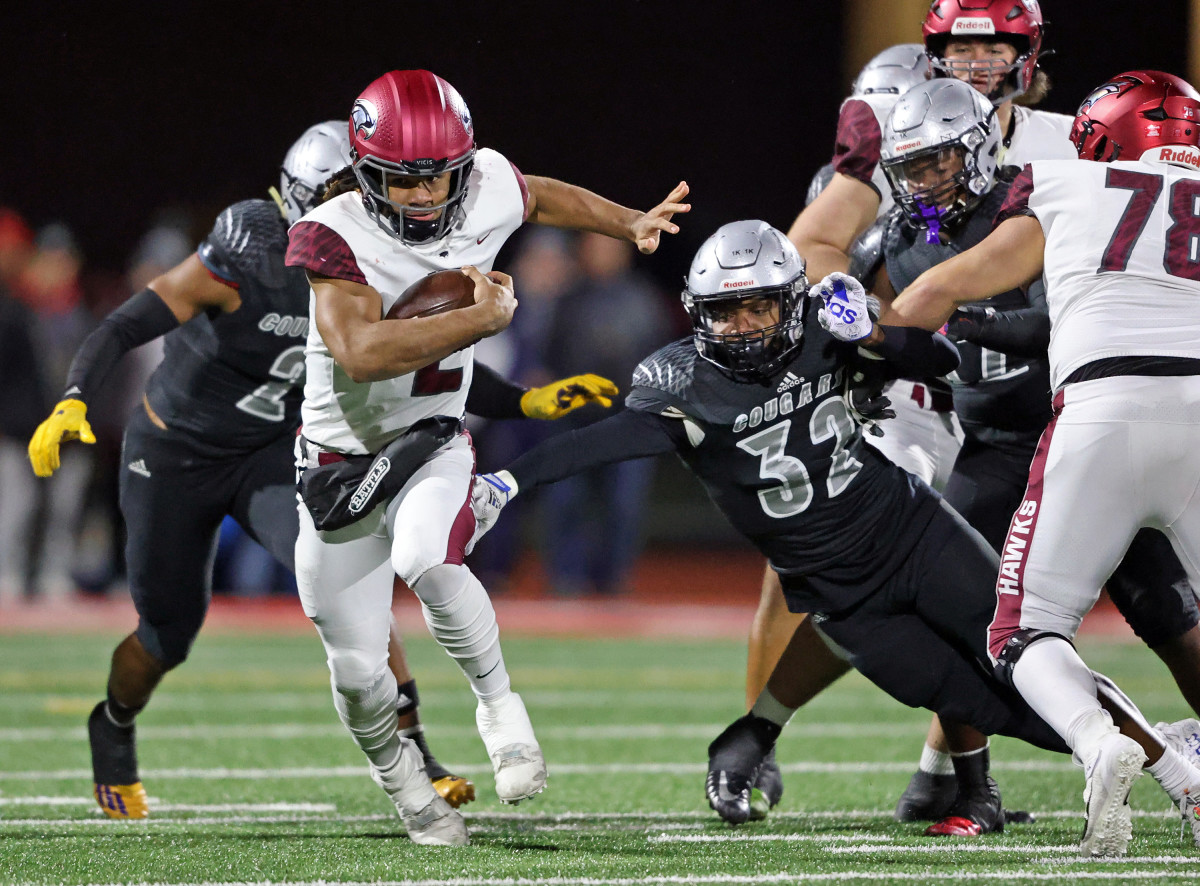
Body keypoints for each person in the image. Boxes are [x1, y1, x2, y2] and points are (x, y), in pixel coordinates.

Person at [24, 120, 610, 826]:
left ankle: (413, 744)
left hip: (271, 449)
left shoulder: (380, 250)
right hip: (175, 452)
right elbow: (129, 319)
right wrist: (74, 395)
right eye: (339, 192)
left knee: (356, 566)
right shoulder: (249, 247)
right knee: (167, 633)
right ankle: (113, 723)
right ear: (299, 199)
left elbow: (416, 359)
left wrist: (521, 402)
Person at [468, 218, 1094, 839]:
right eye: (725, 311)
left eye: (759, 309)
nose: (742, 327)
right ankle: (1104, 753)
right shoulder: (690, 378)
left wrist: (875, 333)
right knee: (962, 669)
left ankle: (1125, 753)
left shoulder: (829, 325)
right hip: (848, 531)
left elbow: (941, 360)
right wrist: (508, 481)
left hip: (910, 485)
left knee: (1008, 641)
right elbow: (602, 442)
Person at [283, 68, 689, 847]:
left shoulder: (486, 184)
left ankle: (502, 711)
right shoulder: (330, 232)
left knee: (429, 559)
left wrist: (626, 221)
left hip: (431, 437)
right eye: (404, 181)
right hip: (337, 465)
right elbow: (360, 352)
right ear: (365, 176)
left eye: (440, 175)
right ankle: (410, 794)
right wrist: (481, 320)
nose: (427, 195)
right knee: (360, 676)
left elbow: (537, 193)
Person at [885, 69, 1200, 857]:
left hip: (1101, 412)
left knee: (1021, 632)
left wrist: (870, 347)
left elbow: (941, 289)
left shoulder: (1064, 183)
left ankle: (1098, 742)